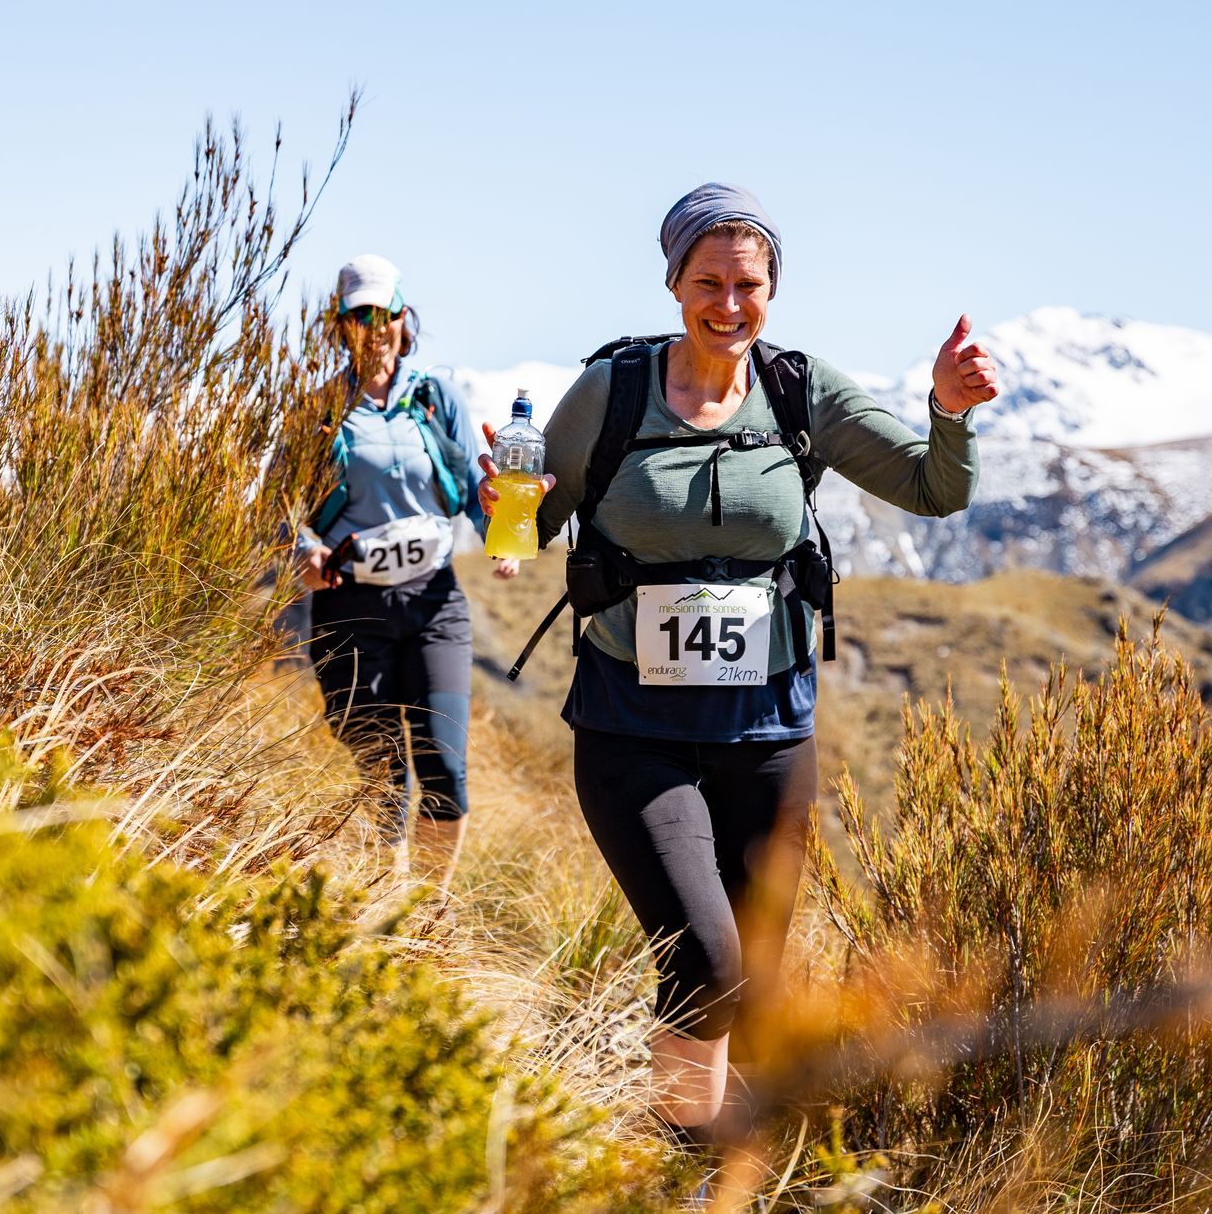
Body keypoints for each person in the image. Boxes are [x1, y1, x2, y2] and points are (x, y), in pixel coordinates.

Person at [478, 185, 997, 1147]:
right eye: (707, 281)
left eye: (748, 284)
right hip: (634, 728)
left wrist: (947, 410)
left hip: (766, 733)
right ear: (674, 282)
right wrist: (507, 499)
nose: (728, 303)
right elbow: (529, 523)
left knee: (754, 971)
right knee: (705, 958)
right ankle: (684, 1163)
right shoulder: (614, 390)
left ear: (772, 290)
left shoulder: (803, 391)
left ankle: (747, 1165)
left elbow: (935, 491)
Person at [299, 254, 518, 890]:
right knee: (381, 768)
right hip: (349, 608)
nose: (376, 328)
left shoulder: (435, 398)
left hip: (434, 605)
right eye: (360, 315)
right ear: (340, 325)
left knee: (444, 765)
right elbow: (282, 506)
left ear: (404, 317)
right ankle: (385, 896)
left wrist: (501, 538)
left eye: (387, 313)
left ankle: (427, 906)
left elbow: (480, 484)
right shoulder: (318, 409)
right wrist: (303, 553)